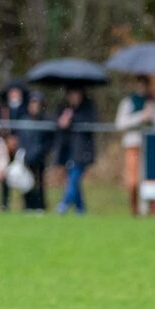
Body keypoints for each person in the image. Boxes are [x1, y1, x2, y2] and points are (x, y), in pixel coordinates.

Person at [115, 75, 155, 217]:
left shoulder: (154, 103)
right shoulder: (128, 102)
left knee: (149, 180)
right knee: (133, 182)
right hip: (133, 145)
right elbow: (120, 124)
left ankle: (150, 210)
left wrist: (153, 117)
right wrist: (140, 117)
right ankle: (135, 211)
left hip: (151, 147)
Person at [54, 86, 97, 215]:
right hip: (68, 149)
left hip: (82, 150)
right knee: (74, 179)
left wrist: (72, 119)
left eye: (76, 94)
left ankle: (64, 203)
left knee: (74, 177)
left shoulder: (87, 108)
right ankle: (80, 209)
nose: (74, 97)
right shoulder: (63, 108)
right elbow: (57, 123)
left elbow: (90, 123)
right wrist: (62, 120)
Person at [0, 83, 27, 211]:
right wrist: (6, 139)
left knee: (23, 175)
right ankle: (5, 204)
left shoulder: (24, 109)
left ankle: (26, 204)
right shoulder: (2, 109)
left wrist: (18, 139)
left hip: (21, 147)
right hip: (4, 147)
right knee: (5, 176)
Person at [19, 92, 53, 213]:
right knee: (26, 182)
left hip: (39, 158)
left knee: (39, 183)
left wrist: (41, 151)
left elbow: (49, 140)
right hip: (26, 157)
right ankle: (28, 205)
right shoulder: (24, 120)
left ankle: (40, 206)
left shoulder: (45, 120)